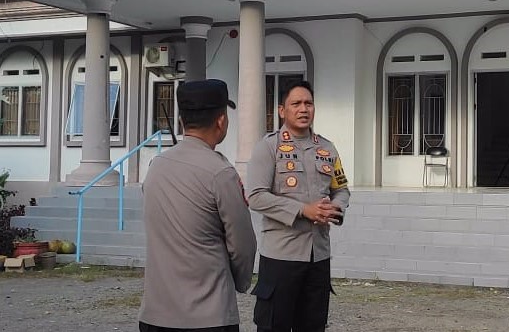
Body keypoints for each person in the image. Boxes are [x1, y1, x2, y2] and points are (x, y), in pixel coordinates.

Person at [138, 79, 257, 332]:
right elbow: (243, 245)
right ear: (221, 120)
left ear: (182, 121)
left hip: (155, 315)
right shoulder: (220, 172)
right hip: (209, 316)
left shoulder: (155, 168)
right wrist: (240, 282)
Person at [247, 80, 350, 332]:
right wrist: (304, 210)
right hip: (281, 256)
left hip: (318, 256)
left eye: (308, 103)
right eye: (296, 104)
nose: (303, 109)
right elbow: (256, 196)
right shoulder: (268, 147)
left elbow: (342, 189)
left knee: (313, 325)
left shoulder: (327, 149)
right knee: (274, 326)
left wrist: (334, 209)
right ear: (282, 110)